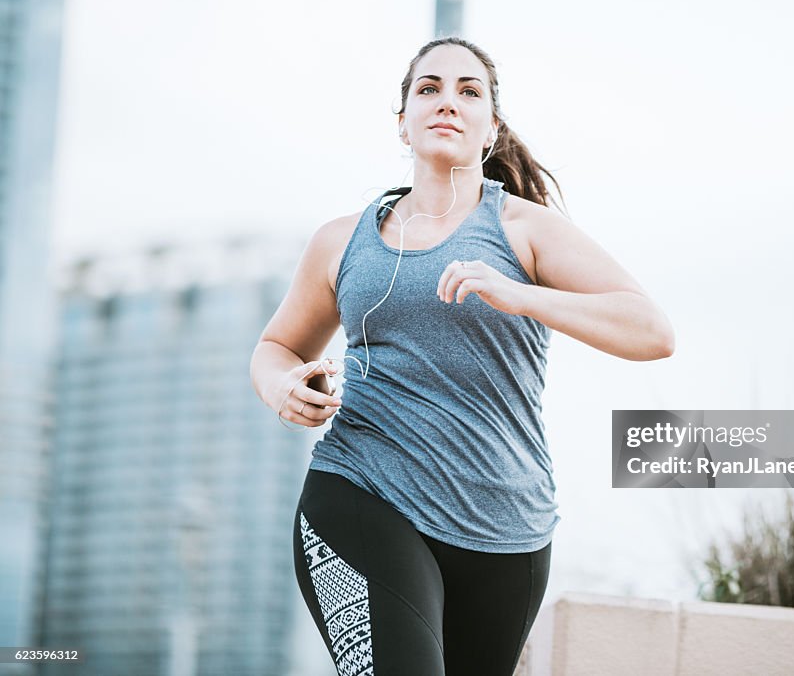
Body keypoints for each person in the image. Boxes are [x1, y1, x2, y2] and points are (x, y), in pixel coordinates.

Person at [249, 36, 674, 676]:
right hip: (362, 490)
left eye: (468, 91)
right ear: (403, 124)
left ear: (490, 129)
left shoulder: (525, 230)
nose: (448, 101)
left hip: (508, 528)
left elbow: (652, 331)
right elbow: (275, 347)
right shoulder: (342, 241)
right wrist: (284, 388)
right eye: (429, 88)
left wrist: (522, 296)